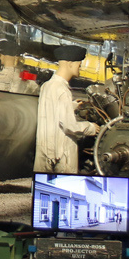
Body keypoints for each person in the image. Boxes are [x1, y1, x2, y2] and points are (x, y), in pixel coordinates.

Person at [35, 45, 98, 174]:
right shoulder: (63, 90)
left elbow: (52, 112)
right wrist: (91, 127)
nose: (80, 68)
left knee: (42, 189)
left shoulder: (47, 86)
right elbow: (69, 126)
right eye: (79, 65)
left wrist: (72, 106)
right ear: (70, 64)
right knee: (65, 191)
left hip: (44, 151)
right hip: (63, 154)